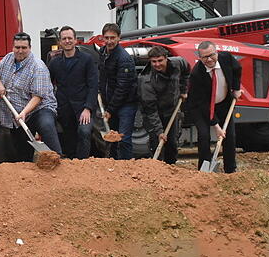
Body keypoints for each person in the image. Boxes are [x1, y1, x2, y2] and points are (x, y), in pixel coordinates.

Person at [0, 32, 62, 161]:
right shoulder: (8, 58)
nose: (20, 51)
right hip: (16, 112)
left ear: (30, 48)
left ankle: (57, 158)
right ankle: (26, 170)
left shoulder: (38, 67)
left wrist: (24, 113)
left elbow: (38, 97)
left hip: (39, 109)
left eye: (24, 48)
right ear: (13, 47)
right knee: (21, 151)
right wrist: (0, 85)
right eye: (17, 47)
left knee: (46, 125)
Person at [187, 41, 242, 173]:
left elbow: (237, 69)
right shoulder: (196, 74)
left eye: (212, 55)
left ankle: (230, 169)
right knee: (204, 136)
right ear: (200, 58)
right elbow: (203, 104)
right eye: (205, 57)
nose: (209, 59)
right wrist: (216, 126)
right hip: (200, 108)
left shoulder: (226, 58)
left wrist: (236, 88)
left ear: (216, 52)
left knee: (230, 136)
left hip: (223, 103)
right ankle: (205, 169)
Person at [48, 26, 98, 160]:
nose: (67, 41)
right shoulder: (54, 63)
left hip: (83, 107)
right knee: (68, 137)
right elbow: (48, 86)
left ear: (76, 40)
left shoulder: (87, 60)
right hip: (64, 108)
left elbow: (93, 86)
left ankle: (82, 163)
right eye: (64, 38)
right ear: (60, 42)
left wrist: (88, 108)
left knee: (84, 131)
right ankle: (71, 166)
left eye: (70, 38)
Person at [138, 45, 190, 164]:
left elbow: (187, 70)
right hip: (153, 113)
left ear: (166, 58)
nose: (157, 64)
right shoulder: (147, 80)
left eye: (160, 60)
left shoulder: (178, 63)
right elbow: (150, 110)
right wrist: (159, 131)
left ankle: (171, 168)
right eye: (153, 62)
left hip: (172, 110)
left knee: (172, 143)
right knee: (157, 142)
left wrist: (183, 89)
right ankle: (157, 169)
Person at [98, 23, 137, 160]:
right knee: (111, 138)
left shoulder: (123, 58)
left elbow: (123, 87)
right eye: (106, 38)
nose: (109, 41)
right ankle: (113, 166)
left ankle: (126, 167)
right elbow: (103, 77)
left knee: (123, 139)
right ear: (103, 38)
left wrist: (110, 110)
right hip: (111, 104)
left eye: (112, 38)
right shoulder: (103, 53)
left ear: (119, 38)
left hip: (126, 104)